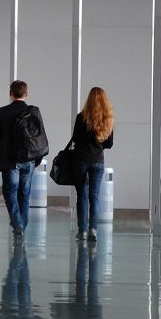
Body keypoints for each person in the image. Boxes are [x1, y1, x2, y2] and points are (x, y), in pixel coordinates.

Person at [0, 80, 44, 240]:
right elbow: (40, 137)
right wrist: (37, 158)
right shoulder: (34, 112)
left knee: (10, 192)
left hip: (9, 160)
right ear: (26, 94)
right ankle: (21, 227)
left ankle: (18, 225)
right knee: (24, 194)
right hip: (29, 159)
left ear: (10, 93)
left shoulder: (2, 112)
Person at [71, 87, 114, 242]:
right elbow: (109, 144)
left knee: (82, 195)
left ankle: (82, 230)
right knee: (94, 196)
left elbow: (75, 139)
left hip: (81, 160)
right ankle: (93, 230)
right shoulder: (107, 119)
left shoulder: (81, 117)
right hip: (97, 160)